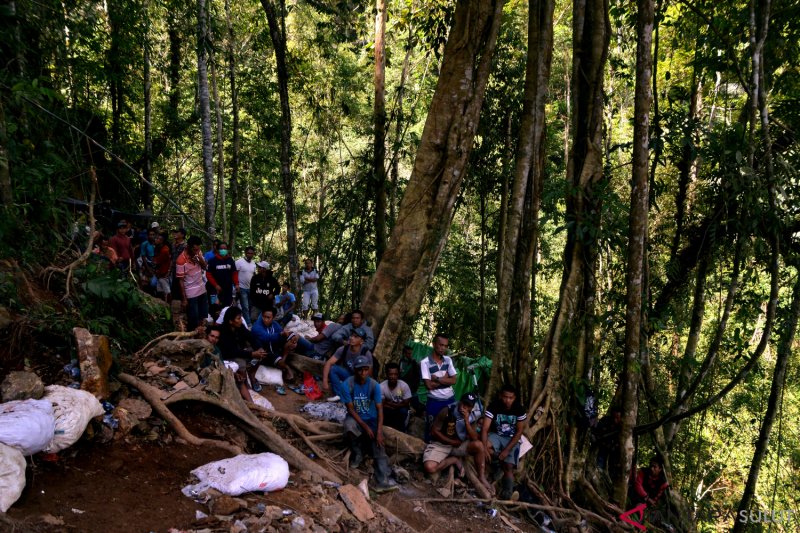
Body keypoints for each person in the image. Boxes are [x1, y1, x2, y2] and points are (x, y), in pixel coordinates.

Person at [341, 355, 397, 492]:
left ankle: (382, 480)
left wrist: (378, 432)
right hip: (355, 418)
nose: (363, 373)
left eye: (366, 370)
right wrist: (365, 427)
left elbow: (380, 409)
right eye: (360, 370)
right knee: (349, 426)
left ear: (369, 370)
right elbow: (350, 409)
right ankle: (357, 451)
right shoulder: (347, 384)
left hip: (371, 418)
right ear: (355, 370)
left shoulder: (374, 385)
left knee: (378, 445)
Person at [423, 392, 492, 492]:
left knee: (479, 445)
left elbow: (474, 438)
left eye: (468, 406)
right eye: (463, 403)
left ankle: (481, 476)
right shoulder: (448, 410)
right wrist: (451, 442)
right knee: (430, 467)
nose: (464, 407)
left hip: (459, 445)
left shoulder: (472, 415)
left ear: (472, 407)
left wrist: (467, 421)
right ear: (459, 401)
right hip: (443, 444)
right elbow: (434, 431)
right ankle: (454, 460)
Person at [481, 384, 528, 500]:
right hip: (496, 435)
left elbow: (519, 431)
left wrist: (507, 450)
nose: (507, 400)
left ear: (515, 398)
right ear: (501, 396)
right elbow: (485, 429)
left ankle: (508, 493)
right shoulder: (494, 406)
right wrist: (484, 448)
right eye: (505, 397)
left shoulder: (519, 409)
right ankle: (497, 461)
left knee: (508, 466)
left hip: (512, 438)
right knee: (485, 446)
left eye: (510, 398)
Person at [218, 306, 267, 401]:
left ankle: (252, 377)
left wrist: (259, 348)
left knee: (262, 354)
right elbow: (232, 351)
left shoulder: (240, 328)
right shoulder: (223, 332)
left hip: (239, 352)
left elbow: (251, 337)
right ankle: (244, 385)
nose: (241, 320)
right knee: (241, 364)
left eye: (241, 317)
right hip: (228, 356)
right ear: (230, 321)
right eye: (238, 318)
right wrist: (252, 354)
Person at [421, 334, 457, 442]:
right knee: (431, 428)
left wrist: (436, 379)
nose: (443, 348)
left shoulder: (448, 360)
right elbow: (428, 386)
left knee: (450, 426)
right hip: (434, 400)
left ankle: (446, 449)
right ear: (434, 344)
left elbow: (454, 380)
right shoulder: (425, 362)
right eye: (441, 345)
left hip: (450, 399)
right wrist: (446, 378)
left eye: (445, 346)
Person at [322, 327, 373, 403]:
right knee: (333, 369)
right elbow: (329, 363)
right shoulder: (343, 349)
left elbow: (369, 374)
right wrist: (325, 381)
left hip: (359, 380)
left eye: (356, 337)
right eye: (351, 336)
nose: (352, 338)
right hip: (348, 376)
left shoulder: (365, 353)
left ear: (361, 341)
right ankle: (339, 395)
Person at [250, 308, 295, 383]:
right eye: (264, 316)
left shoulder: (274, 324)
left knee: (291, 341)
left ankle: (282, 361)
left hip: (275, 349)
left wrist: (293, 336)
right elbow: (267, 338)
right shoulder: (257, 326)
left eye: (268, 317)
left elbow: (282, 332)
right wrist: (281, 334)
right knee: (269, 355)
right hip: (264, 353)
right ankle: (286, 367)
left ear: (273, 318)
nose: (265, 319)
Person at [175, 236, 208, 332]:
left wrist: (199, 258)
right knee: (193, 318)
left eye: (198, 249)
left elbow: (205, 267)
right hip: (191, 293)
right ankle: (192, 337)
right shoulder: (181, 260)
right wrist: (184, 299)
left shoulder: (198, 253)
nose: (196, 251)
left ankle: (201, 335)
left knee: (203, 316)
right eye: (194, 249)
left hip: (202, 289)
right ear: (188, 247)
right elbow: (180, 281)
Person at [380, 362, 412, 432]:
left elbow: (406, 403)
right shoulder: (381, 386)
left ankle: (403, 430)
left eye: (395, 374)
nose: (393, 377)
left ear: (398, 375)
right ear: (387, 375)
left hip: (401, 409)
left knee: (402, 412)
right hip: (388, 408)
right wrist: (393, 406)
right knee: (382, 411)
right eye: (391, 374)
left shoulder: (404, 386)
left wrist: (390, 404)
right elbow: (381, 403)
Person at [206, 242, 238, 307]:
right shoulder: (212, 261)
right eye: (221, 248)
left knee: (227, 307)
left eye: (225, 248)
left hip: (228, 289)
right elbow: (208, 274)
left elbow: (234, 273)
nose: (223, 250)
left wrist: (237, 284)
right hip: (214, 290)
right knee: (214, 306)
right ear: (217, 250)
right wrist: (216, 285)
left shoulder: (230, 260)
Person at [399, 345, 423, 414]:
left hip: (412, 390)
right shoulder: (400, 362)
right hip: (400, 389)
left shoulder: (414, 363)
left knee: (417, 406)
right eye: (408, 353)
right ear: (404, 354)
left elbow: (418, 376)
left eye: (410, 353)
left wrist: (415, 386)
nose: (410, 355)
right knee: (399, 403)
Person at [235, 246, 257, 320]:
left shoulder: (253, 263)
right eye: (248, 253)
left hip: (250, 288)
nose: (250, 255)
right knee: (245, 306)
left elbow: (254, 275)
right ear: (245, 253)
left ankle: (246, 319)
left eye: (251, 253)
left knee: (251, 305)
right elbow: (235, 274)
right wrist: (236, 285)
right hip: (242, 287)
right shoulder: (239, 262)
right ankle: (248, 323)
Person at [153, 231, 172, 302]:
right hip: (159, 273)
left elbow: (156, 261)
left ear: (161, 241)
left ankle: (169, 306)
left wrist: (168, 271)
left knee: (167, 291)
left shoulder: (165, 250)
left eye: (157, 238)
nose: (155, 239)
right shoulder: (158, 248)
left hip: (163, 273)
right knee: (160, 290)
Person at [170, 228, 187, 297]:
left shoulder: (185, 246)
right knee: (174, 287)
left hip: (182, 270)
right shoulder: (173, 245)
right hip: (174, 270)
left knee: (181, 287)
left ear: (182, 235)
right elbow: (171, 257)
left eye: (178, 232)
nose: (176, 234)